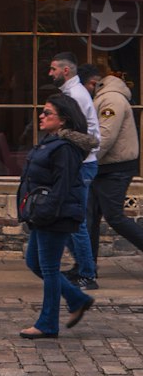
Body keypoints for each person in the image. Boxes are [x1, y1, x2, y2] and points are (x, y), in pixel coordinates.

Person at [17, 93, 95, 339]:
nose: (41, 115)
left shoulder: (66, 149)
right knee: (35, 263)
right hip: (42, 213)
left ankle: (48, 323)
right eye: (42, 111)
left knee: (49, 268)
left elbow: (63, 187)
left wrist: (46, 212)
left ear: (63, 120)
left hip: (54, 216)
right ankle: (77, 298)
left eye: (47, 113)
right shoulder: (51, 141)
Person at [48, 51, 101, 290]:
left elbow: (88, 138)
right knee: (68, 217)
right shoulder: (70, 93)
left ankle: (87, 273)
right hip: (76, 164)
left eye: (53, 69)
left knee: (75, 220)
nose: (50, 73)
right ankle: (81, 266)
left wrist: (60, 135)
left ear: (65, 71)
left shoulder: (77, 96)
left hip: (82, 164)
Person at [81, 64, 143, 265]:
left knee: (114, 217)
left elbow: (105, 137)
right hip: (103, 167)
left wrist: (86, 161)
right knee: (89, 218)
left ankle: (86, 269)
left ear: (92, 83)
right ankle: (86, 269)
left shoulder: (111, 99)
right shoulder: (103, 97)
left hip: (115, 168)